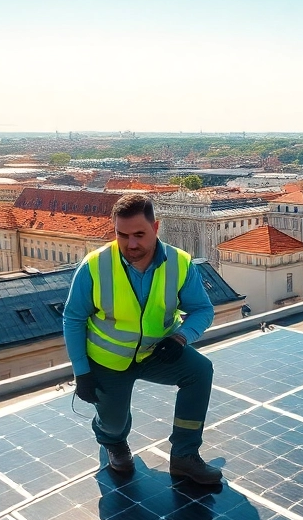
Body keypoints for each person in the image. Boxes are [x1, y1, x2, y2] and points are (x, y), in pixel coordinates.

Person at [63, 194, 222, 484]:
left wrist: (181, 338)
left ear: (156, 227)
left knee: (200, 371)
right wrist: (81, 371)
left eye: (139, 234)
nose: (131, 244)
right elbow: (73, 318)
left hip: (157, 352)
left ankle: (185, 456)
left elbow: (202, 309)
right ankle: (113, 441)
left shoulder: (180, 263)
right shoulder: (94, 266)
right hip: (108, 359)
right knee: (113, 423)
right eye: (122, 235)